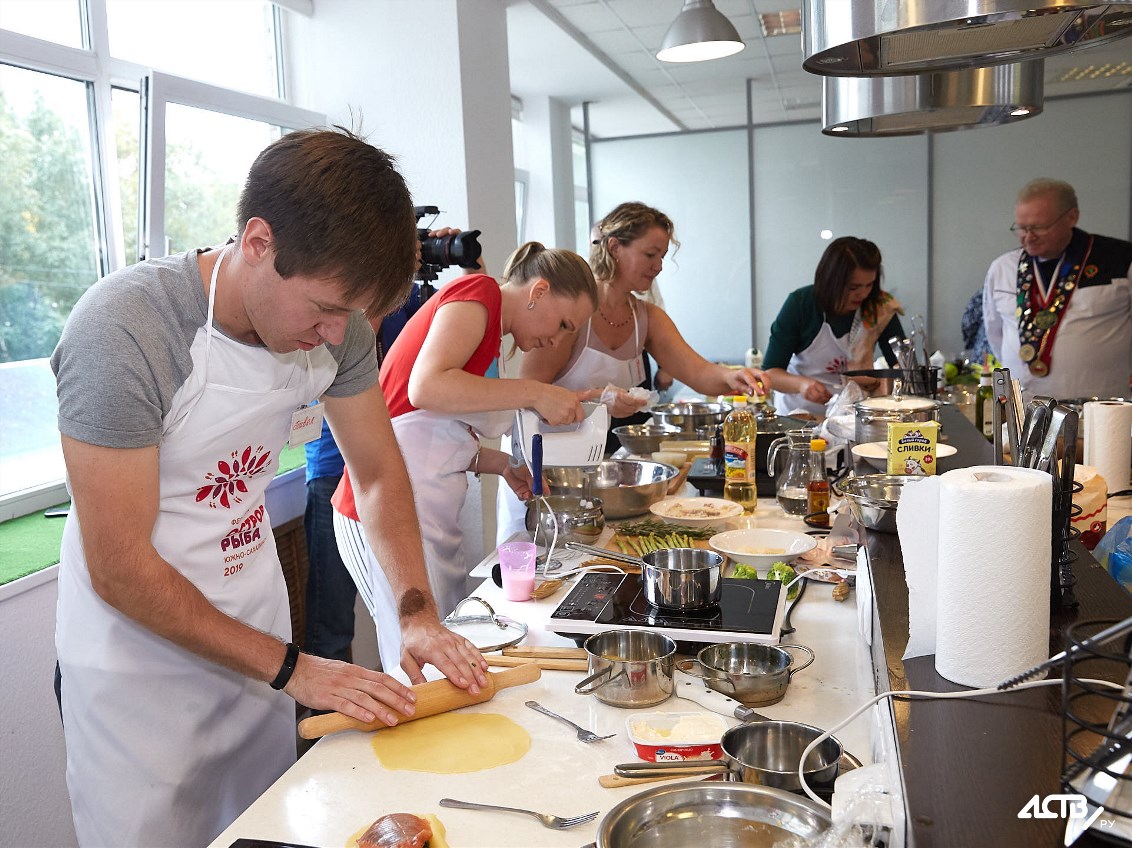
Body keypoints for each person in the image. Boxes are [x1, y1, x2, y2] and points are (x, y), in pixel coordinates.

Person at [49, 128, 489, 847]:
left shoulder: (337, 326)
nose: (331, 334)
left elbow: (375, 472)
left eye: (347, 318)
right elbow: (121, 567)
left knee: (259, 829)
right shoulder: (126, 331)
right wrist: (293, 668)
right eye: (320, 310)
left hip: (257, 647)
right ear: (258, 242)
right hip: (137, 669)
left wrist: (413, 610)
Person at [332, 242, 598, 676]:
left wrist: (502, 465)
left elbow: (436, 433)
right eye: (566, 323)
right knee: (415, 663)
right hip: (379, 516)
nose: (558, 339)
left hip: (427, 511)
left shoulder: (490, 330)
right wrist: (535, 391)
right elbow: (425, 389)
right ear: (540, 291)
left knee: (447, 649)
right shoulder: (478, 293)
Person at [496, 202, 770, 542]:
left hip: (605, 478)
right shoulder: (569, 313)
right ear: (614, 247)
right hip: (547, 475)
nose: (657, 267)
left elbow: (697, 371)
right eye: (650, 254)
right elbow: (526, 395)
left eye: (662, 257)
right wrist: (599, 399)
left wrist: (732, 378)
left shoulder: (646, 317)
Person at [983, 178, 1132, 400]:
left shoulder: (1120, 259)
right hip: (1023, 409)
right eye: (1021, 228)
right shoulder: (1003, 267)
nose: (1028, 236)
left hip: (1099, 408)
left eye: (1039, 227)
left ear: (1072, 217)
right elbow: (995, 333)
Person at [764, 236, 905, 416]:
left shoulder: (879, 307)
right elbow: (771, 373)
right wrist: (801, 384)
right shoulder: (801, 304)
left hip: (854, 416)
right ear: (831, 281)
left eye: (869, 285)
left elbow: (901, 365)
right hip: (801, 416)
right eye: (853, 287)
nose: (862, 294)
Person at [960, 288, 994, 367]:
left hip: (983, 356)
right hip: (1015, 360)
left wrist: (970, 342)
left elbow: (968, 321)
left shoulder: (990, 290)